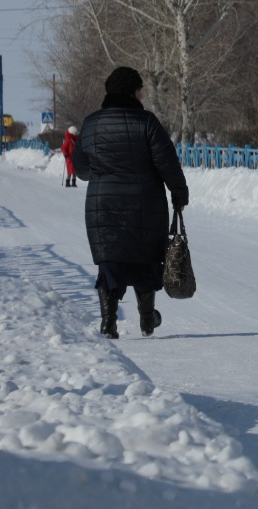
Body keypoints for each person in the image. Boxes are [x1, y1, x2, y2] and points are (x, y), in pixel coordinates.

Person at [72, 67, 189, 339]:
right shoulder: (147, 122)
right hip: (145, 206)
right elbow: (167, 163)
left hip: (103, 208)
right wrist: (179, 194)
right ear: (131, 92)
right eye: (139, 90)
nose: (141, 95)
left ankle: (108, 322)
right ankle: (147, 319)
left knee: (110, 263)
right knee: (146, 260)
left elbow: (80, 169)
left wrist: (99, 172)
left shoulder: (91, 124)